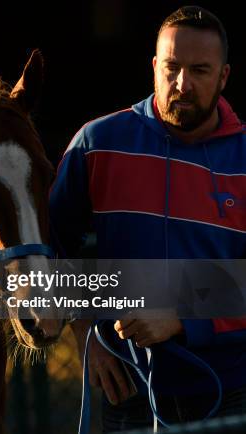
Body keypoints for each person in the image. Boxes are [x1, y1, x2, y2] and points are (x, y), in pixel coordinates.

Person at [49, 5, 246, 432]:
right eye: (172, 67)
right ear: (154, 66)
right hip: (127, 391)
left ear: (224, 76)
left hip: (232, 391)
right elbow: (42, 251)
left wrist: (182, 314)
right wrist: (85, 337)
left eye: (199, 70)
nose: (182, 84)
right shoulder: (97, 143)